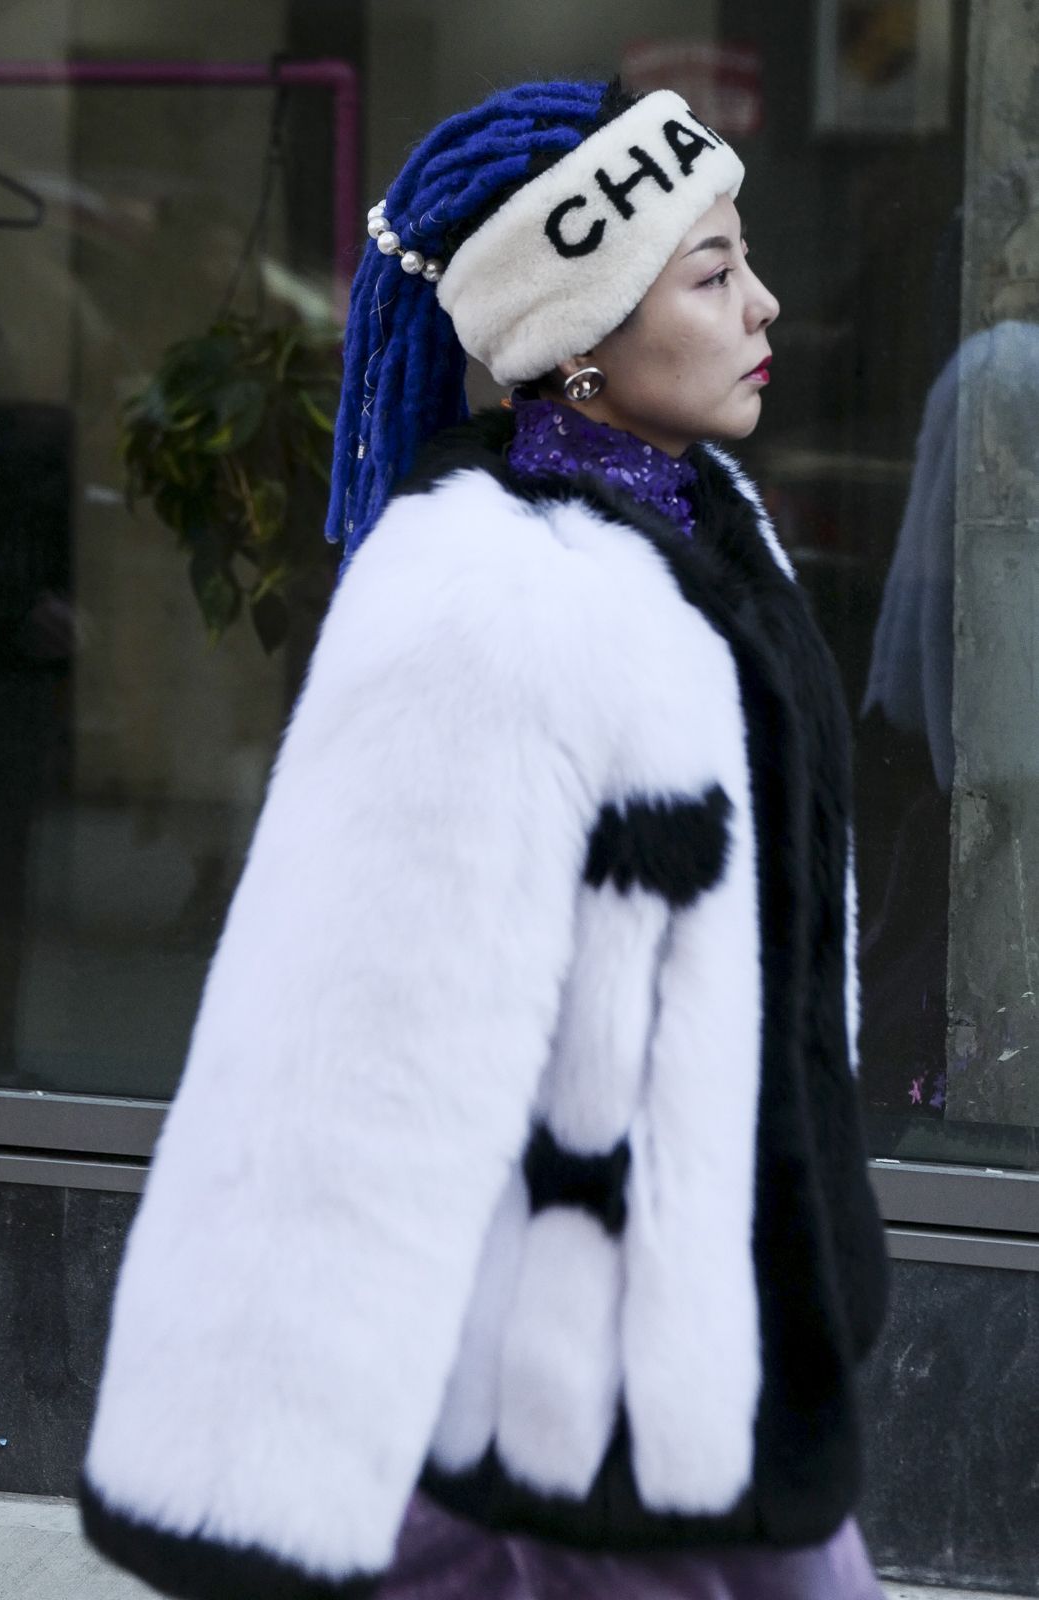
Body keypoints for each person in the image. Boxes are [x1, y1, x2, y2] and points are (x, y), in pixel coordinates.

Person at [79, 77, 890, 1600]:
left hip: (692, 1353)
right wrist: (256, 1459)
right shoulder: (482, 600)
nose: (764, 301)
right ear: (578, 338)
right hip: (551, 1395)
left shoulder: (704, 528)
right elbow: (341, 1045)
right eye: (712, 272)